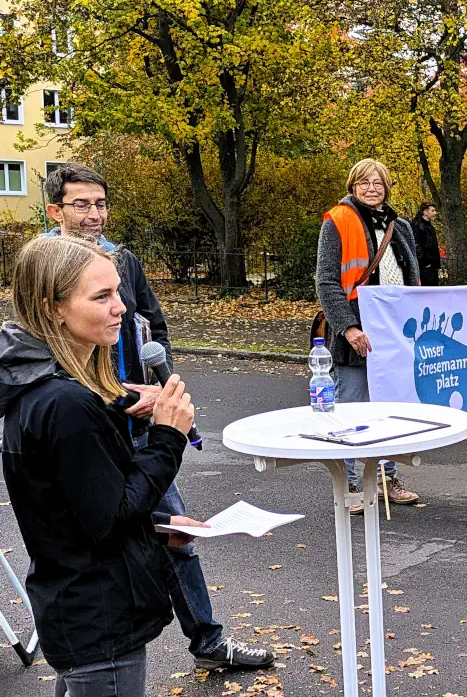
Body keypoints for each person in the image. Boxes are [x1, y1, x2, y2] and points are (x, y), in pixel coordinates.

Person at [40, 165, 272, 670]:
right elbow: (49, 364)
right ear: (54, 210)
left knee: (177, 533)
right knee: (95, 543)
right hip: (91, 432)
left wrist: (153, 386)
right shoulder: (43, 268)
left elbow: (154, 329)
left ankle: (208, 643)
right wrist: (117, 397)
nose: (94, 215)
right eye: (81, 204)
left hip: (141, 429)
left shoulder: (122, 259)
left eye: (101, 204)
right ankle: (96, 661)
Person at [0, 236, 197, 696]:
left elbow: (80, 507)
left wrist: (161, 524)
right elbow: (109, 519)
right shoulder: (64, 403)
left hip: (82, 611)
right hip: (99, 618)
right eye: (102, 296)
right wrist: (169, 436)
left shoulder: (48, 391)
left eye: (119, 292)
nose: (122, 308)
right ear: (53, 309)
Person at [316, 158, 421, 512]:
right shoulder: (338, 221)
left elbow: (413, 278)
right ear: (353, 186)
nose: (371, 188)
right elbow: (326, 281)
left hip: (394, 333)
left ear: (387, 186)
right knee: (350, 410)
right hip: (357, 330)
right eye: (364, 182)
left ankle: (385, 477)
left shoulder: (400, 225)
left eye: (378, 182)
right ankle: (346, 486)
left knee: (387, 410)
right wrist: (348, 327)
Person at [411, 202, 441, 286]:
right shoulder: (418, 226)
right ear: (425, 212)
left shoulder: (429, 226)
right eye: (433, 211)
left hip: (431, 265)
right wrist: (425, 262)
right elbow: (416, 245)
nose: (435, 213)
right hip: (425, 267)